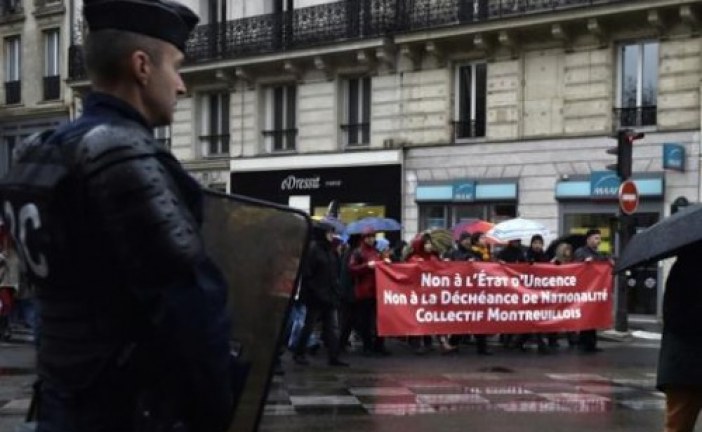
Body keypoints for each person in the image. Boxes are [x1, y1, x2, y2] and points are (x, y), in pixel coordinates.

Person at [0, 1, 236, 430]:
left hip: (61, 402)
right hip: (126, 412)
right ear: (142, 66)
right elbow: (193, 314)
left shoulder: (37, 153)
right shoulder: (120, 154)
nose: (181, 86)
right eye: (176, 67)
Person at [657, 242, 702, 432]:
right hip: (686, 366)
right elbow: (678, 317)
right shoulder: (687, 270)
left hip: (681, 367)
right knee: (679, 424)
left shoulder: (681, 267)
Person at [293, 222, 348, 367]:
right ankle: (299, 353)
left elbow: (334, 273)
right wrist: (316, 292)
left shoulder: (331, 251)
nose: (332, 235)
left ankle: (333, 356)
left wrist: (336, 291)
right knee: (309, 326)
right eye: (329, 232)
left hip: (329, 296)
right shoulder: (313, 250)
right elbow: (307, 275)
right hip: (316, 297)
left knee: (332, 328)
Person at [348, 228, 390, 356]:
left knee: (380, 319)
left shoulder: (376, 251)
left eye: (373, 237)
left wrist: (385, 262)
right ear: (364, 238)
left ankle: (379, 345)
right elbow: (351, 268)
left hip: (377, 290)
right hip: (364, 291)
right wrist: (366, 266)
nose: (371, 239)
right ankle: (368, 346)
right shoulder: (358, 252)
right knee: (365, 320)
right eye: (369, 237)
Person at [573, 228, 608, 353]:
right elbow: (575, 267)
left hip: (594, 290)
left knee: (593, 316)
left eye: (599, 238)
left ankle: (592, 344)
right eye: (596, 238)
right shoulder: (581, 252)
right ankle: (583, 343)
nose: (598, 241)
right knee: (586, 316)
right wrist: (584, 262)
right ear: (588, 239)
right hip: (584, 290)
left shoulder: (598, 254)